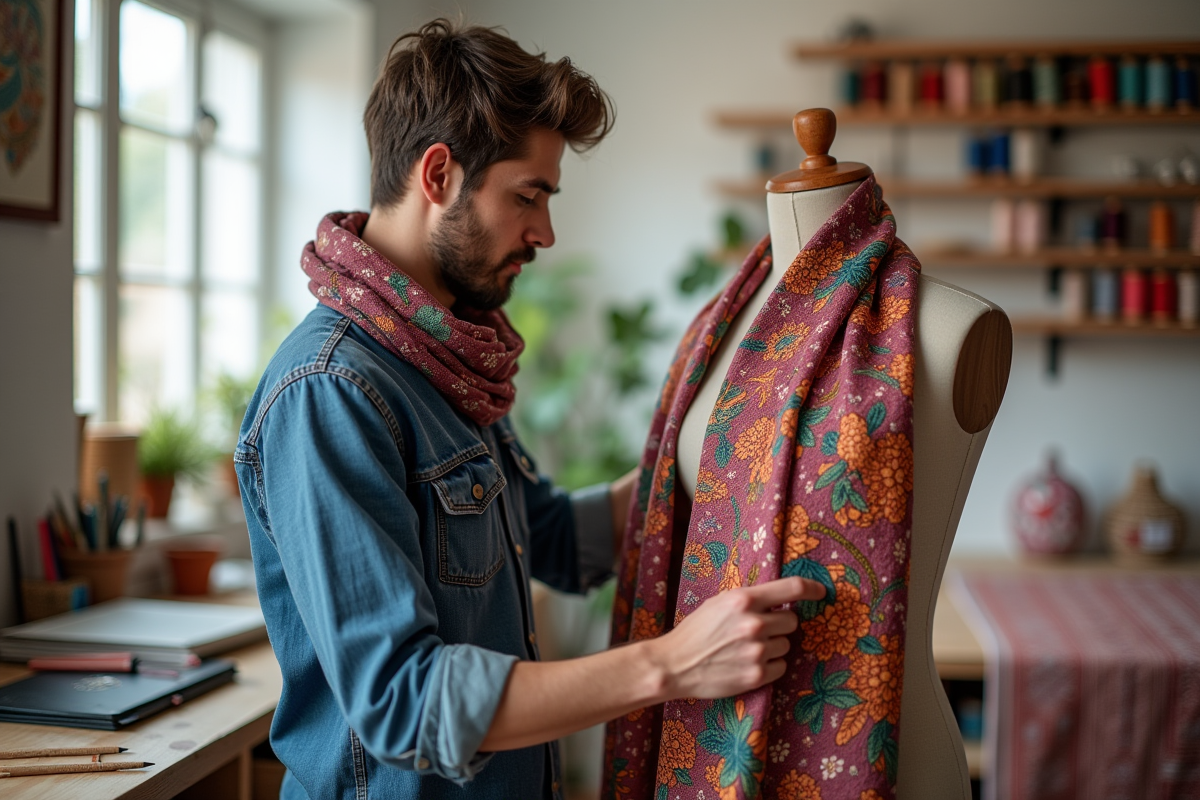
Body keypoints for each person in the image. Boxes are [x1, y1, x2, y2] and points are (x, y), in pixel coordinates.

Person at [235, 19, 825, 800]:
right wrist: (673, 664)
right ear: (438, 174)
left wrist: (701, 461)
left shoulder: (446, 352)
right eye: (528, 195)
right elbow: (403, 703)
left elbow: (538, 533)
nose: (544, 232)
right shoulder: (329, 391)